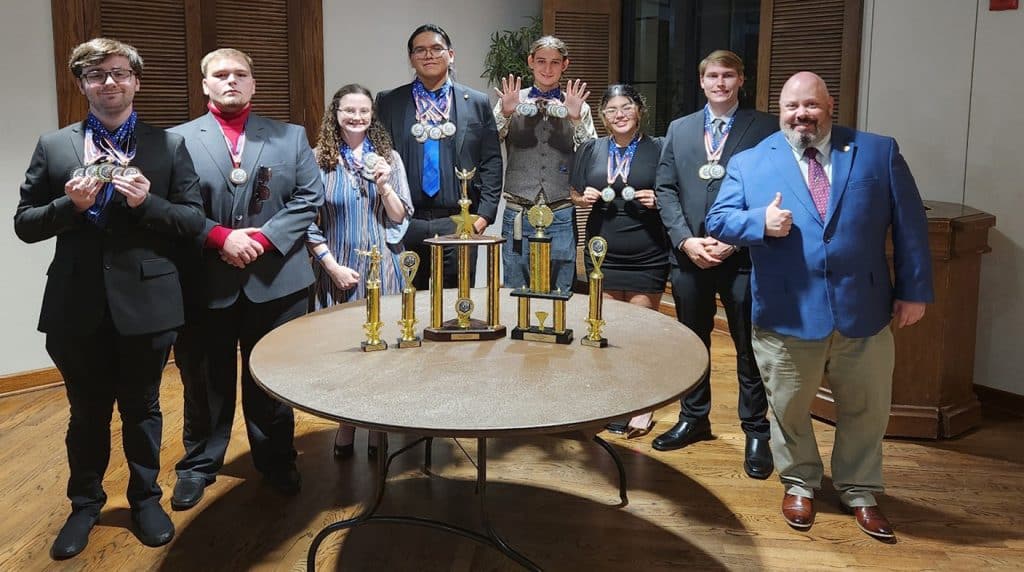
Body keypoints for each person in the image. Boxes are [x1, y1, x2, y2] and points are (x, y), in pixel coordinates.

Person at [705, 71, 933, 541]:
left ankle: (860, 488)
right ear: (781, 111)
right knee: (787, 408)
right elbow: (719, 220)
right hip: (787, 312)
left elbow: (910, 225)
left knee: (867, 409)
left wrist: (914, 290)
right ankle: (800, 481)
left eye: (810, 105)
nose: (801, 115)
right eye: (791, 106)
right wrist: (759, 222)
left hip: (864, 310)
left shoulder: (877, 151)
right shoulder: (750, 162)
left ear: (830, 107)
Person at [14, 38, 204, 559]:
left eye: (119, 73)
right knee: (86, 412)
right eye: (97, 75)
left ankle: (145, 499)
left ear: (136, 81)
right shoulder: (54, 147)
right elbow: (24, 225)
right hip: (75, 305)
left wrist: (148, 202)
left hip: (147, 302)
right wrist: (68, 205)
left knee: (143, 408)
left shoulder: (167, 146)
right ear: (82, 85)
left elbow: (191, 221)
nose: (110, 82)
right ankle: (84, 505)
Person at [168, 48, 324, 510]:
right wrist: (221, 239)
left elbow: (309, 196)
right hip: (205, 280)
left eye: (240, 74)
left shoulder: (290, 136)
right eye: (220, 74)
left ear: (254, 84)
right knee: (203, 381)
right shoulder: (176, 140)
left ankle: (277, 460)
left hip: (277, 278)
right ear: (205, 85)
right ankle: (199, 464)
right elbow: (174, 209)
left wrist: (262, 239)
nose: (231, 80)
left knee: (272, 378)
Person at [653, 50, 778, 480]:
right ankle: (694, 417)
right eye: (712, 76)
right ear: (701, 82)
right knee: (693, 342)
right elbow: (665, 189)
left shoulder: (763, 127)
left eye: (728, 75)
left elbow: (773, 187)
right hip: (689, 256)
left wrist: (733, 238)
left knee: (748, 345)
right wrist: (685, 240)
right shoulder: (680, 128)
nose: (720, 83)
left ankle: (756, 430)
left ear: (741, 80)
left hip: (741, 256)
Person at [307, 83, 414, 458]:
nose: (357, 117)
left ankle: (377, 425)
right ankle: (346, 423)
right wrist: (331, 266)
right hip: (337, 269)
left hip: (383, 269)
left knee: (382, 351)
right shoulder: (318, 159)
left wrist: (385, 186)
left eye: (364, 111)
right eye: (349, 110)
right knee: (344, 352)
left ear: (372, 115)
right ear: (335, 114)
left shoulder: (389, 158)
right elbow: (307, 221)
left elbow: (400, 216)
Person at [570, 84, 668, 436]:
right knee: (606, 328)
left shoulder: (658, 148)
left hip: (647, 247)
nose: (619, 114)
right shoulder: (590, 149)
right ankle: (613, 400)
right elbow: (575, 191)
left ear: (639, 110)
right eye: (611, 110)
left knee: (641, 331)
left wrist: (659, 198)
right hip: (603, 249)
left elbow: (674, 190)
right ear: (603, 116)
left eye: (626, 107)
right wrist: (583, 199)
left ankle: (643, 405)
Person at [376, 23, 503, 290]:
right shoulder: (389, 102)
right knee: (408, 300)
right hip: (408, 221)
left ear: (451, 55)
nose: (428, 55)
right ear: (411, 58)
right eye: (419, 50)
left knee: (458, 302)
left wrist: (484, 217)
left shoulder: (476, 102)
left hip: (459, 220)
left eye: (436, 48)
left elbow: (491, 161)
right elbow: (378, 156)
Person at [493, 35, 597, 292]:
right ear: (530, 62)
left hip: (560, 210)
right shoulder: (512, 99)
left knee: (561, 287)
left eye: (554, 62)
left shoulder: (575, 104)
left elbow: (591, 152)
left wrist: (575, 118)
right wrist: (506, 113)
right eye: (541, 61)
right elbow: (489, 140)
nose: (547, 69)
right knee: (515, 285)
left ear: (565, 65)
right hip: (518, 210)